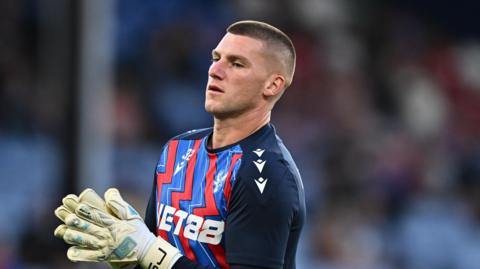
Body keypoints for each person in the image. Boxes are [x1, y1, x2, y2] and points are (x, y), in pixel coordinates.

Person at [54, 20, 306, 269]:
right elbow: (153, 255)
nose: (215, 70)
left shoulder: (267, 174)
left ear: (272, 85)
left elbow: (155, 254)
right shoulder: (177, 149)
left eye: (237, 64)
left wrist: (150, 251)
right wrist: (132, 252)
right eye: (215, 58)